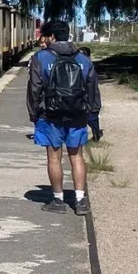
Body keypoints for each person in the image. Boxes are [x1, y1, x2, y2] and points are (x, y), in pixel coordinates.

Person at [27, 20, 101, 215]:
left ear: (51, 37)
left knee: (54, 157)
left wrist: (34, 114)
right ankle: (80, 200)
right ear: (68, 35)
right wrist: (92, 114)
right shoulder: (83, 60)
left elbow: (34, 89)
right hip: (77, 114)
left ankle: (58, 201)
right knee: (76, 156)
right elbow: (93, 89)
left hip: (50, 115)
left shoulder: (41, 58)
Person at [77, 46, 103, 141]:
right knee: (89, 118)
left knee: (92, 117)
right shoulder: (83, 65)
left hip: (92, 97)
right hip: (86, 97)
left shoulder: (88, 65)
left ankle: (97, 134)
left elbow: (92, 85)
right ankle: (96, 133)